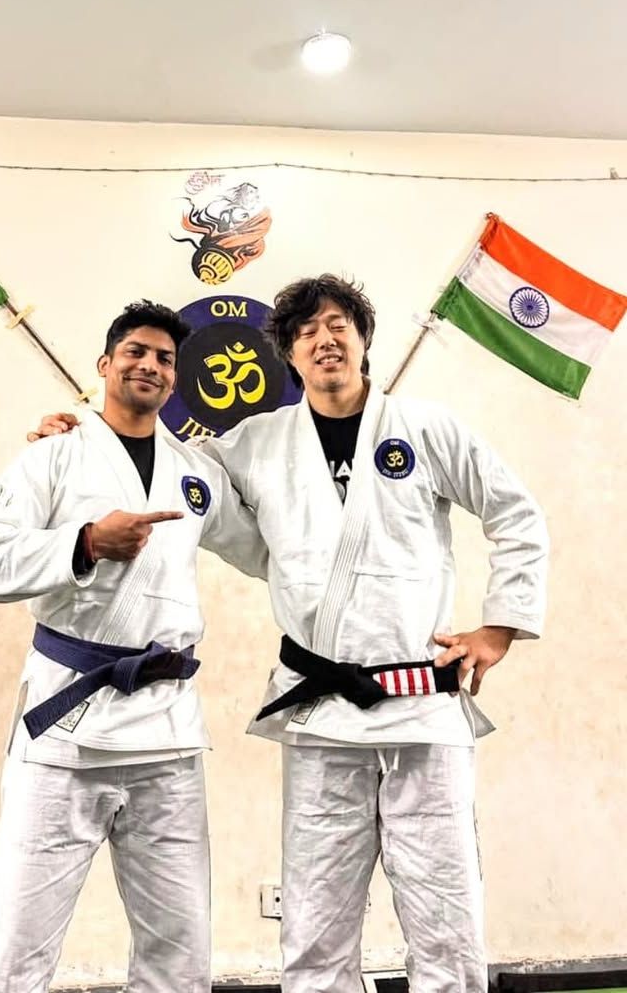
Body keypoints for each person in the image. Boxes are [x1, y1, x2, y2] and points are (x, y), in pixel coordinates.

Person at [30, 275, 549, 993]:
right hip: (320, 711)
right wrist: (76, 441)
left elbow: (516, 513)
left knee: (447, 916)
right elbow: (161, 468)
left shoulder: (428, 428)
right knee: (313, 922)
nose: (324, 340)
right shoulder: (256, 442)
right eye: (306, 332)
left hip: (423, 706)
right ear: (290, 356)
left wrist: (499, 627)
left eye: (338, 326)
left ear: (363, 341)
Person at [0, 300, 267, 993]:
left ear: (175, 378)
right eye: (135, 352)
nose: (150, 365)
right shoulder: (53, 456)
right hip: (66, 730)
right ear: (104, 364)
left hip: (167, 736)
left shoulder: (195, 471)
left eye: (164, 358)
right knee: (19, 944)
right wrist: (87, 542)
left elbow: (268, 553)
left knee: (181, 952)